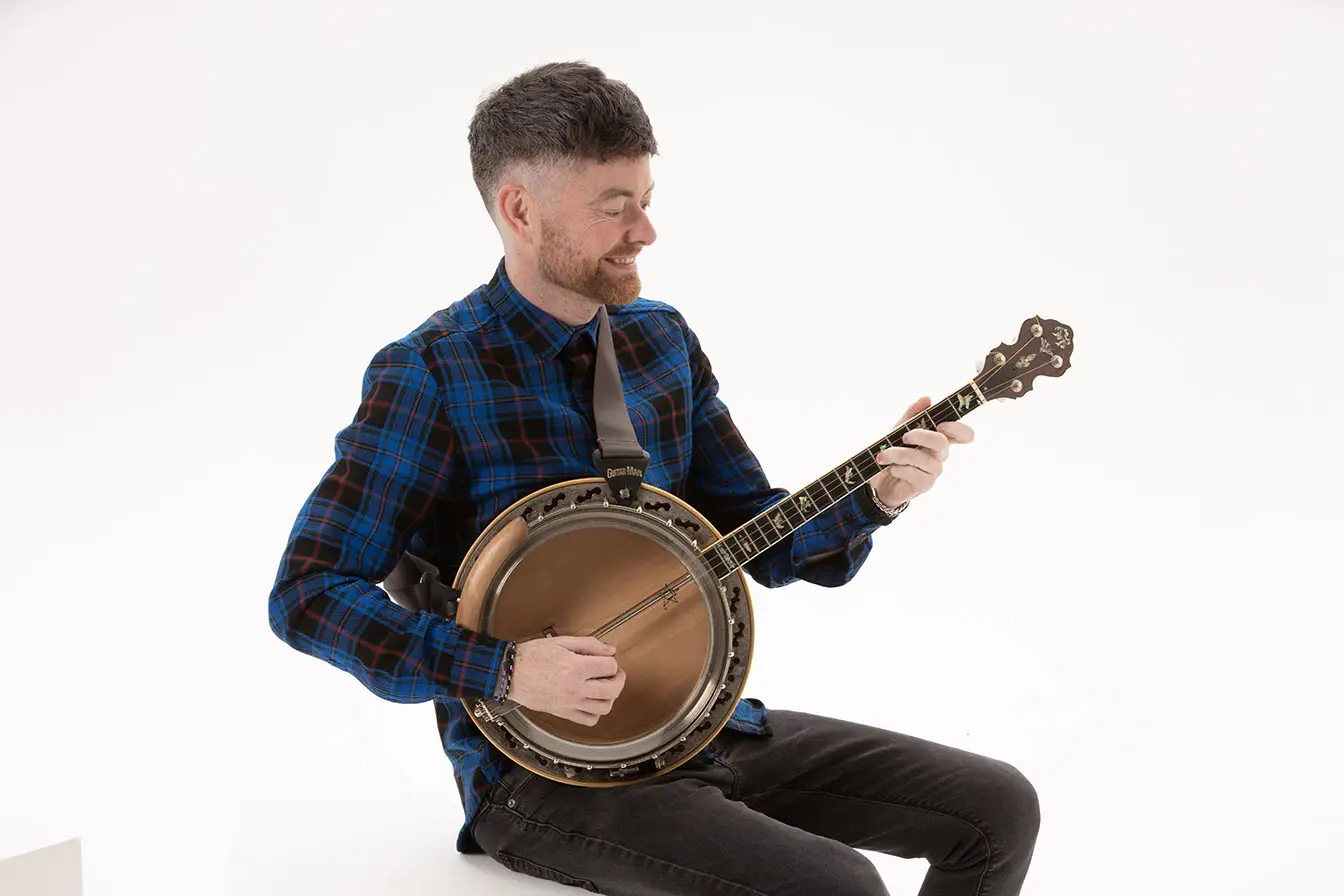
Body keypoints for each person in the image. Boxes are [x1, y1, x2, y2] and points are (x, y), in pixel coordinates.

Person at [267, 60, 1040, 896]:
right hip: (542, 778)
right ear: (520, 210)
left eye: (646, 201)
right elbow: (307, 595)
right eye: (614, 207)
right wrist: (504, 669)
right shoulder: (431, 374)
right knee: (839, 886)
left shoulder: (658, 341)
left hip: (699, 725)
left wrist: (880, 495)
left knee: (997, 809)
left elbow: (763, 538)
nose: (645, 232)